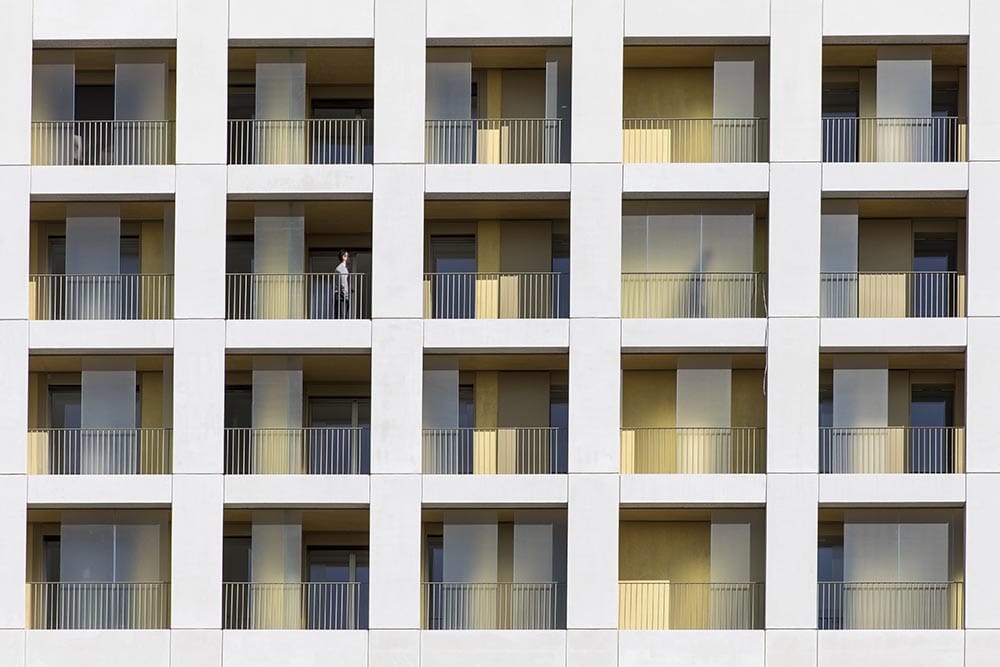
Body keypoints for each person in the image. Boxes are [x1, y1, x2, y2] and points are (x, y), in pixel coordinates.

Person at [334, 250, 351, 318]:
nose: (348, 258)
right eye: (347, 256)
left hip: (340, 294)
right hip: (341, 295)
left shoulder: (342, 267)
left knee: (340, 315)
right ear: (343, 257)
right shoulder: (341, 268)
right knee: (342, 316)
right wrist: (345, 293)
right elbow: (343, 281)